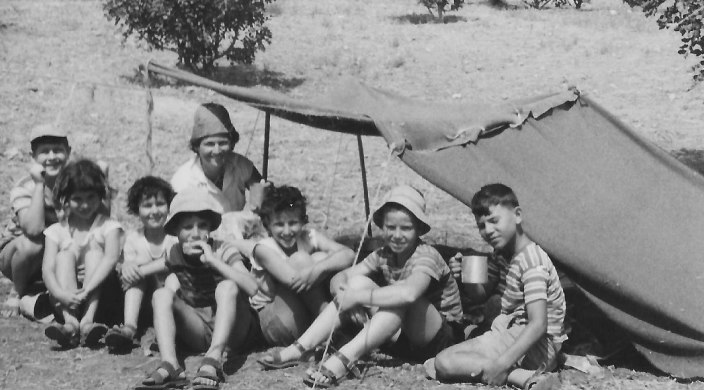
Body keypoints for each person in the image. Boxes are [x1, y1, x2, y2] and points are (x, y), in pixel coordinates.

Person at [259, 185, 463, 388]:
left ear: (419, 229)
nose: (397, 235)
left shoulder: (426, 254)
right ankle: (300, 348)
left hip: (440, 338)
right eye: (391, 228)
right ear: (383, 226)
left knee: (398, 297)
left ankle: (343, 360)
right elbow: (341, 277)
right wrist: (346, 295)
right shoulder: (384, 254)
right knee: (357, 283)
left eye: (406, 228)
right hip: (402, 337)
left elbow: (409, 294)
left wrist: (358, 298)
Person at [433, 184, 566, 389]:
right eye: (481, 225)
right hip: (516, 333)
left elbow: (538, 323)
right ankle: (522, 373)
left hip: (536, 346)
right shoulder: (502, 254)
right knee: (447, 356)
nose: (488, 231)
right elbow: (480, 296)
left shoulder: (532, 261)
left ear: (518, 215)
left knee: (443, 363)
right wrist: (466, 273)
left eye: (494, 221)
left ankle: (523, 377)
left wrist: (502, 365)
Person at [135, 188, 260, 390]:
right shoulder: (174, 252)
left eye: (202, 226)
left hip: (235, 330)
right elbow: (157, 266)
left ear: (210, 228)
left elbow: (252, 287)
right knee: (161, 294)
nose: (195, 234)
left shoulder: (221, 249)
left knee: (226, 286)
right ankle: (170, 365)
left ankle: (214, 359)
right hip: (199, 329)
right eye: (187, 227)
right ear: (176, 231)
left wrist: (213, 261)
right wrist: (132, 269)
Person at [244, 185, 355, 354]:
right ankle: (330, 322)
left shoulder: (309, 236)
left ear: (303, 221)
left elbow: (348, 254)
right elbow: (294, 279)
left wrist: (319, 268)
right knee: (302, 259)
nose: (287, 231)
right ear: (268, 225)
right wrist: (319, 267)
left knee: (319, 260)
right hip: (275, 321)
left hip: (301, 311)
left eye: (293, 223)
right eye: (279, 224)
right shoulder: (263, 249)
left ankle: (328, 327)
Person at [41, 159, 124, 348]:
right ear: (66, 199)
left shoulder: (108, 227)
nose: (85, 205)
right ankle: (70, 323)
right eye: (78, 199)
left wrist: (86, 291)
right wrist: (60, 294)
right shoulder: (56, 231)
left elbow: (111, 258)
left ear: (100, 197)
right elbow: (47, 269)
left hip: (100, 295)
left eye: (91, 198)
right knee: (63, 256)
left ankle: (88, 322)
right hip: (65, 300)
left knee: (95, 254)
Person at [0, 124, 70, 319]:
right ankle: (18, 291)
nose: (51, 156)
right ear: (33, 157)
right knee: (33, 243)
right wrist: (40, 185)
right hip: (18, 254)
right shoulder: (25, 185)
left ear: (68, 153)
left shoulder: (75, 184)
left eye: (57, 150)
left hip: (57, 252)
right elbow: (33, 228)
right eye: (44, 152)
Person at [104, 176, 177, 350]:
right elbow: (128, 267)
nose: (154, 211)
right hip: (144, 302)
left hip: (171, 300)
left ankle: (166, 332)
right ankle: (129, 327)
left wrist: (142, 269)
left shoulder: (173, 236)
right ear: (137, 209)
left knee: (171, 276)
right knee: (136, 279)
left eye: (160, 204)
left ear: (168, 206)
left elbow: (171, 261)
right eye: (147, 205)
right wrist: (127, 267)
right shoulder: (134, 238)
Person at [170, 102, 264, 215]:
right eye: (209, 144)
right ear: (196, 147)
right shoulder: (183, 181)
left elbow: (260, 187)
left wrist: (258, 199)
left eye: (223, 143)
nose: (217, 151)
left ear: (232, 143)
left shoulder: (240, 164)